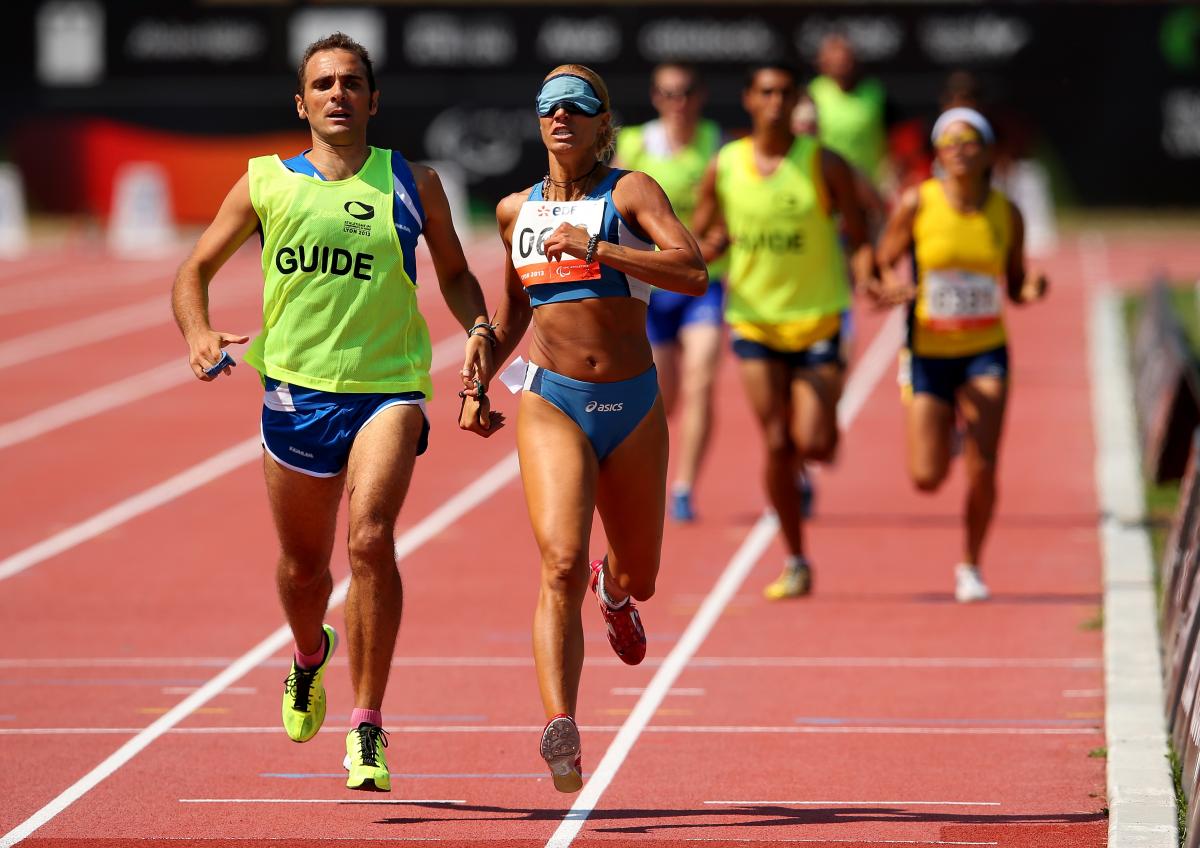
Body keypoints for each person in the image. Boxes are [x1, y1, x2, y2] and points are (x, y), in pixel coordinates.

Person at [170, 33, 495, 792]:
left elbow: (455, 273)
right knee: (303, 568)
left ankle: (369, 723)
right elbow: (194, 270)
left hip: (390, 388)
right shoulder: (265, 184)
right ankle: (308, 653)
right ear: (301, 102)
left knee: (371, 537)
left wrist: (478, 328)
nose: (338, 94)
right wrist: (197, 332)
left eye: (352, 82)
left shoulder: (413, 182)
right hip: (293, 391)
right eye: (323, 84)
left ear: (374, 100)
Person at [464, 64, 706, 792]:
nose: (561, 115)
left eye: (578, 105)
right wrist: (477, 375)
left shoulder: (629, 192)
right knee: (559, 561)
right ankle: (560, 723)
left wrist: (598, 247)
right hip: (551, 399)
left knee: (643, 575)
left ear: (605, 124)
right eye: (548, 106)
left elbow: (691, 269)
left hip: (631, 405)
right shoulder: (514, 212)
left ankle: (616, 592)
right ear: (537, 122)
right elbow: (511, 319)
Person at [694, 62, 875, 600]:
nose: (776, 101)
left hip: (818, 318)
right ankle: (796, 558)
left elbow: (859, 236)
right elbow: (701, 236)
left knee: (814, 442)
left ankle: (819, 437)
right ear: (750, 99)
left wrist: (870, 276)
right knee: (775, 439)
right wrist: (712, 246)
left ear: (796, 102)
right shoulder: (725, 164)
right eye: (766, 92)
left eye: (785, 93)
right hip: (753, 320)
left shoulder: (823, 163)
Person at [873, 107, 1048, 602]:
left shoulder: (1005, 213)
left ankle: (971, 564)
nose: (959, 150)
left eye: (969, 141)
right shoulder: (917, 202)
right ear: (938, 154)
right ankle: (946, 424)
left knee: (985, 464)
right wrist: (892, 284)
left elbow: (1014, 283)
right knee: (927, 478)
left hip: (984, 350)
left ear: (987, 151)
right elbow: (885, 259)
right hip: (928, 350)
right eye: (949, 143)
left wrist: (1032, 285)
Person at [614, 62, 726, 523]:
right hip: (652, 285)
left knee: (702, 378)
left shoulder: (714, 143)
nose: (676, 103)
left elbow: (725, 205)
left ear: (698, 97)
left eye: (684, 93)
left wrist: (717, 239)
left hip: (702, 282)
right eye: (667, 94)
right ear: (656, 98)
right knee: (666, 394)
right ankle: (651, 470)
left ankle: (683, 487)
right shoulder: (636, 143)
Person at [807, 34, 890, 190]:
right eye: (835, 58)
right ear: (823, 62)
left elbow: (891, 138)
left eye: (846, 58)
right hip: (826, 185)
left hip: (870, 185)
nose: (842, 63)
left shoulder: (874, 92)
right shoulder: (813, 93)